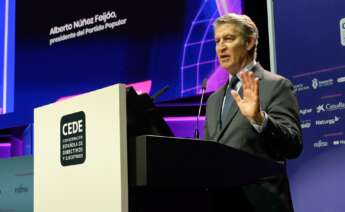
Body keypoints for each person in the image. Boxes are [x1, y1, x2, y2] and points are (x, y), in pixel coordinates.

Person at [204, 13, 303, 212]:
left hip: (262, 204)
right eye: (217, 41)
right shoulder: (213, 100)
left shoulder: (276, 86)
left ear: (249, 42)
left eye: (229, 39)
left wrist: (260, 119)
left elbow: (293, 145)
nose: (221, 47)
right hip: (222, 203)